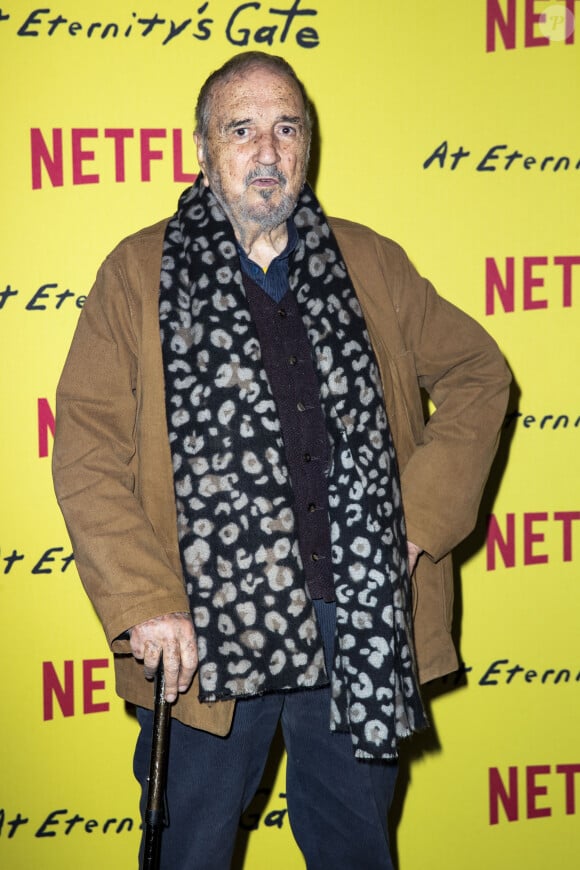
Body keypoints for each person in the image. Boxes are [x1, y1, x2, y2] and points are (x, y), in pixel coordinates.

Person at [53, 51, 510, 869]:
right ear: (203, 148)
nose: (267, 151)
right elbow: (85, 447)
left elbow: (480, 375)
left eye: (286, 128)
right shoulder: (137, 272)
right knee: (189, 850)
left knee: (354, 848)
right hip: (205, 632)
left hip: (358, 621)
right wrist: (147, 601)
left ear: (307, 145)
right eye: (243, 129)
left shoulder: (370, 261)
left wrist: (416, 520)